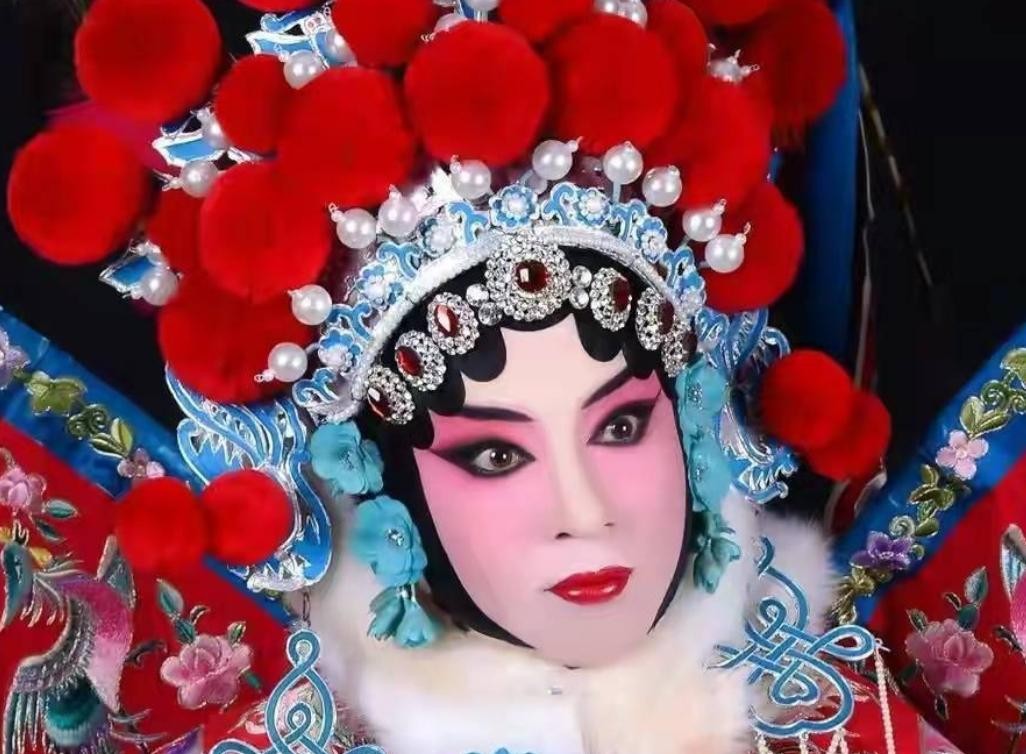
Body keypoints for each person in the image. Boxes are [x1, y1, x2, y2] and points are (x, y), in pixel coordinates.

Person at [1, 1, 975, 753]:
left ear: (695, 417)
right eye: (497, 454)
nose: (585, 513)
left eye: (622, 427)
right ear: (374, 488)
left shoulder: (852, 723)